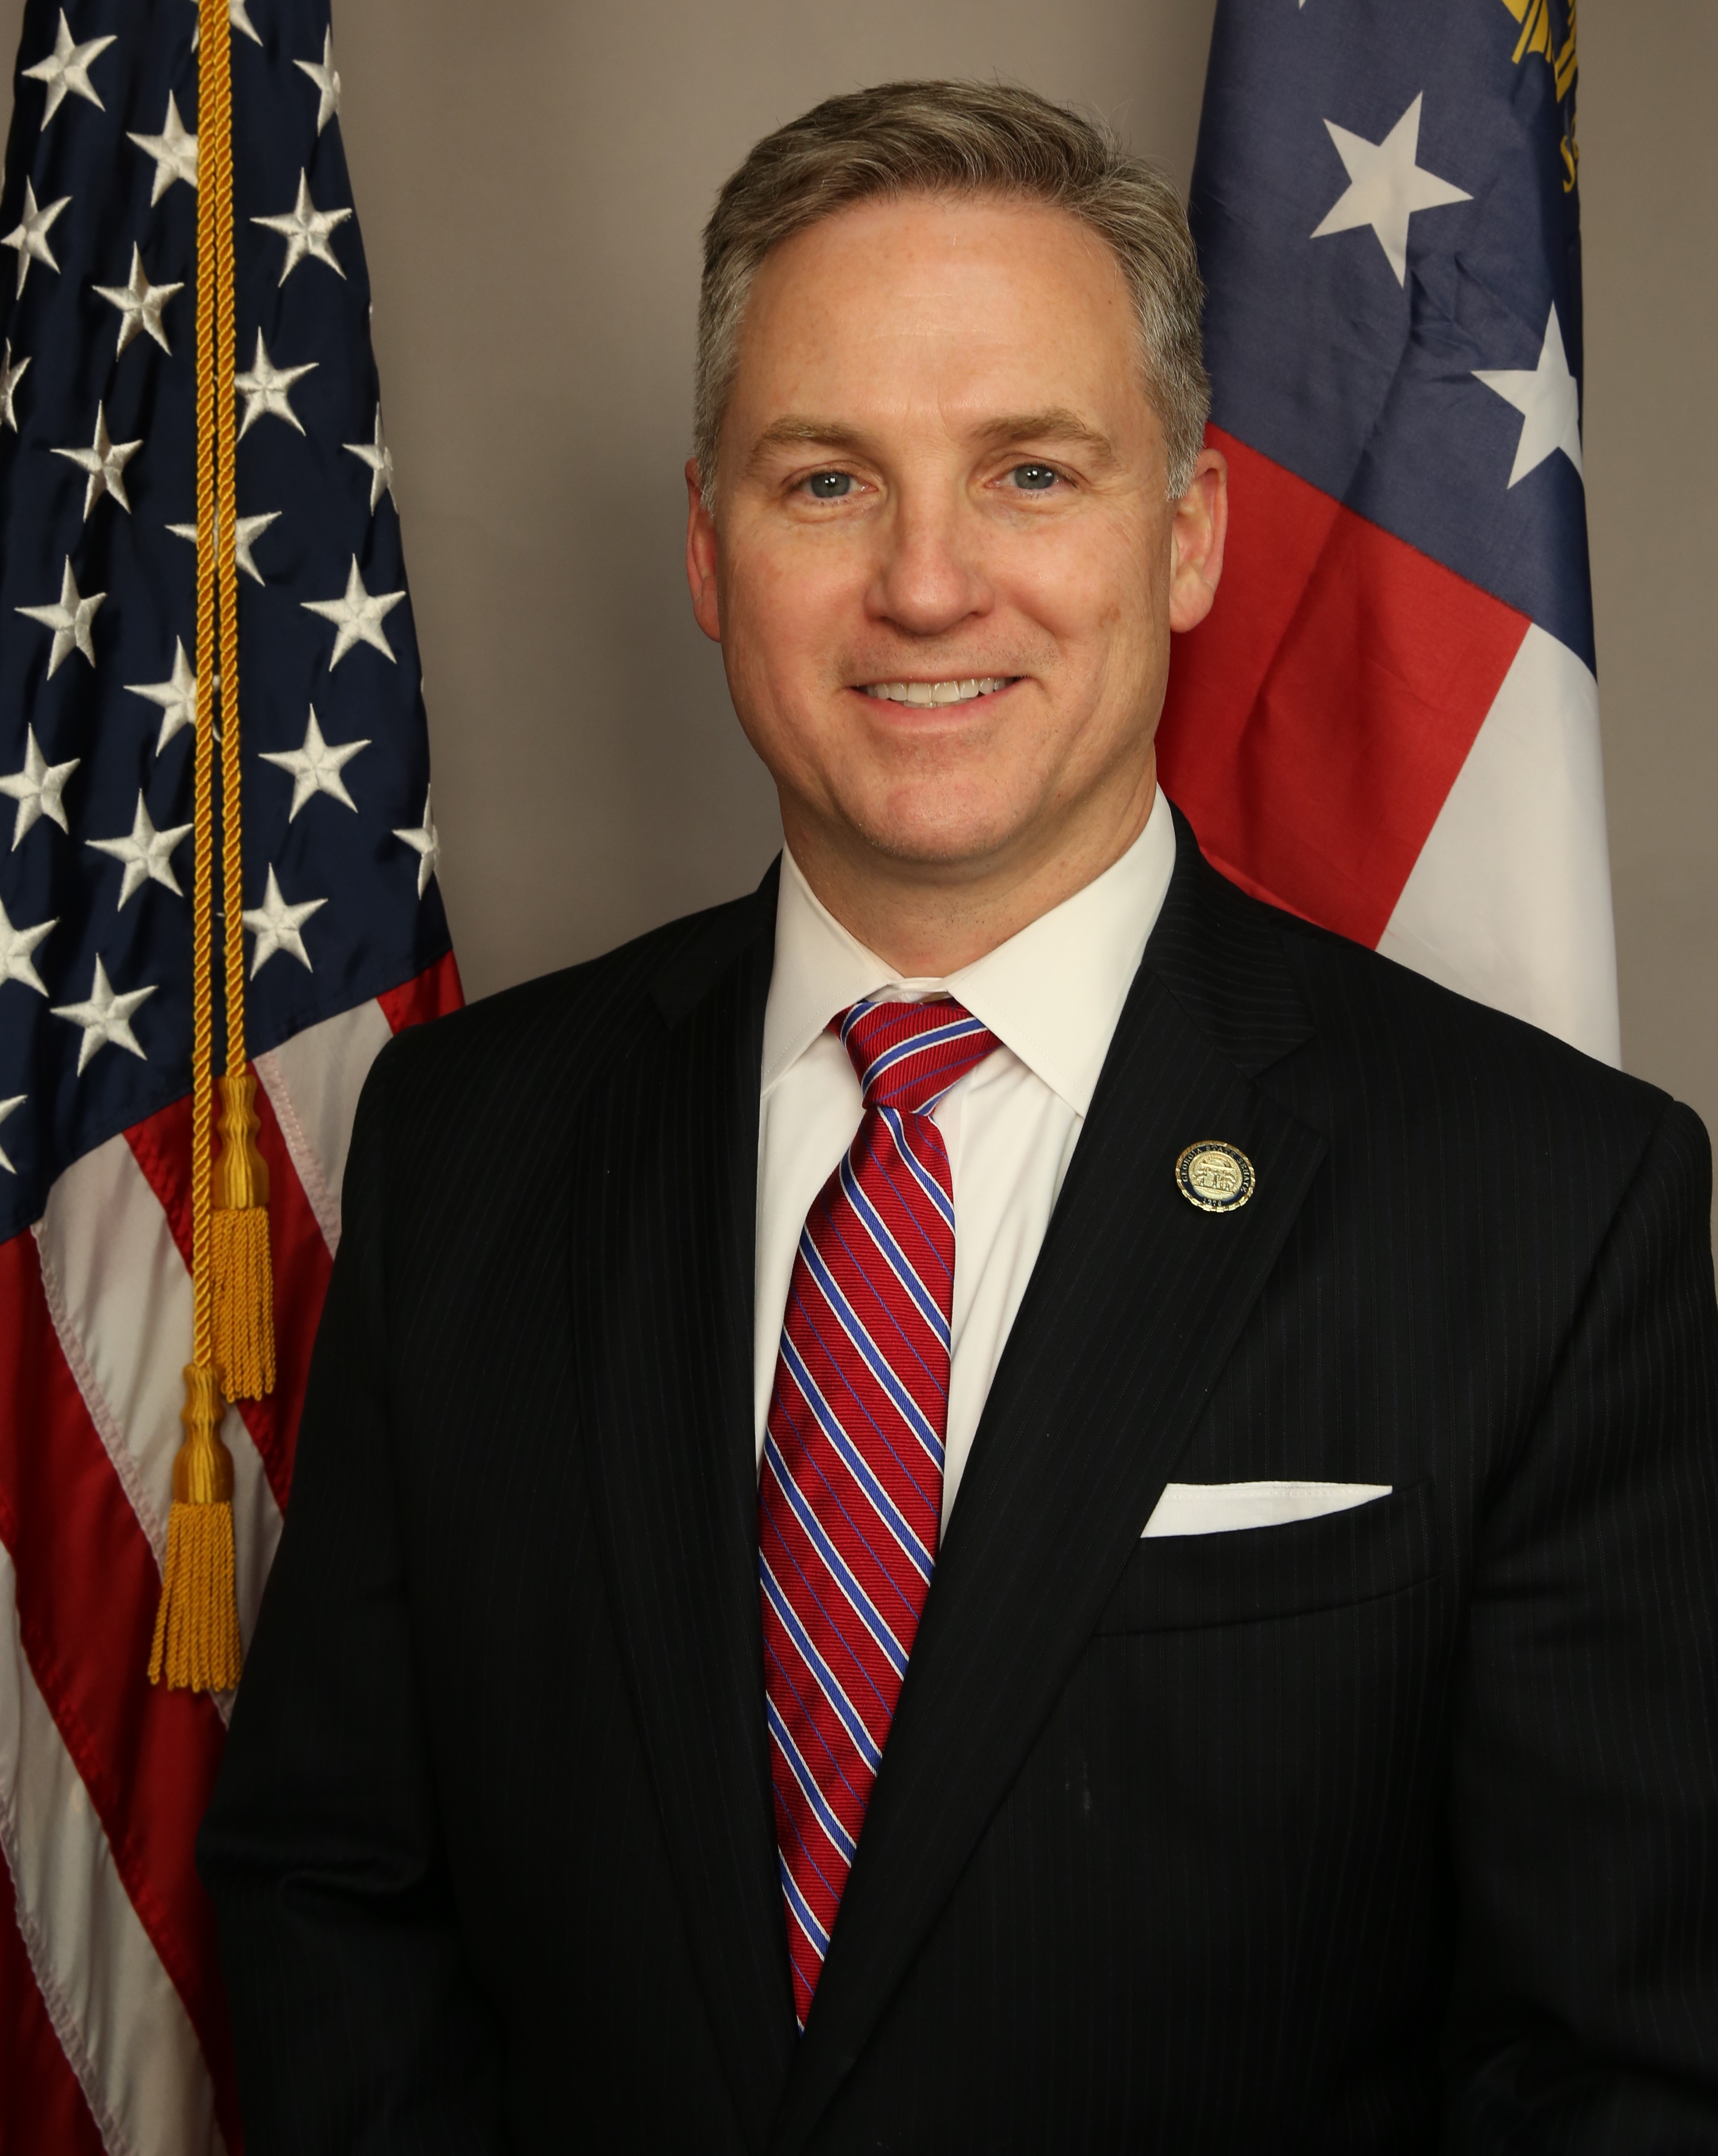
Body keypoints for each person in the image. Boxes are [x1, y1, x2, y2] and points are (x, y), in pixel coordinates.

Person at [199, 80, 1718, 2154]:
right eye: (827, 480)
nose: (928, 585)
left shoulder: (1548, 1206)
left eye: (1030, 472)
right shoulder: (469, 1140)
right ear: (707, 546)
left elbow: (1610, 2070)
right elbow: (331, 1903)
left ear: (1185, 539)